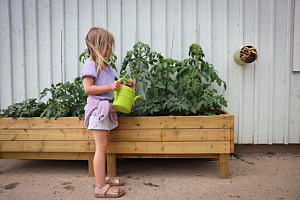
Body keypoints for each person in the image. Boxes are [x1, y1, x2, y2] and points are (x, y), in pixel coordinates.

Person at [81, 27, 134, 198]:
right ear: (98, 46)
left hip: (105, 110)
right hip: (98, 111)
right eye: (108, 46)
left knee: (103, 147)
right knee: (101, 148)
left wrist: (124, 86)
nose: (110, 49)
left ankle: (102, 177)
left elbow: (112, 89)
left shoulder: (105, 66)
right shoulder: (91, 65)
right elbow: (88, 89)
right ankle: (100, 187)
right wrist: (111, 86)